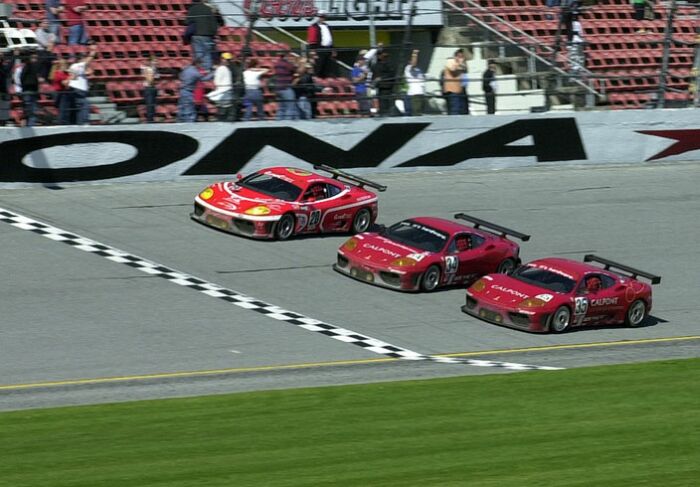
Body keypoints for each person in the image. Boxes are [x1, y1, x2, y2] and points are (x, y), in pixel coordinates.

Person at [186, 0, 224, 72]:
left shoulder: (193, 8)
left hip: (196, 34)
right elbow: (220, 22)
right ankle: (207, 71)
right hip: (208, 35)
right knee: (207, 54)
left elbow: (187, 21)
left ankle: (199, 70)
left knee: (198, 53)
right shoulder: (211, 8)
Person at [68, 45, 97, 124]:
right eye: (84, 57)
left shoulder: (78, 67)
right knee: (84, 106)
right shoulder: (76, 66)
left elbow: (90, 72)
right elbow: (88, 62)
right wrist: (93, 53)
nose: (85, 59)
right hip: (77, 91)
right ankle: (83, 123)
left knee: (81, 108)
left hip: (80, 91)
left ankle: (80, 123)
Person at [177, 58, 213, 122]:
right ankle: (189, 126)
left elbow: (180, 76)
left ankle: (179, 122)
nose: (201, 66)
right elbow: (204, 79)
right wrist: (213, 73)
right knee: (190, 110)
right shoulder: (195, 72)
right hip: (188, 92)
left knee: (182, 109)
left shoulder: (186, 69)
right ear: (197, 64)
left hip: (182, 91)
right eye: (200, 64)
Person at [307, 11, 335, 78]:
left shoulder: (328, 26)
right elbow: (312, 39)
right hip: (319, 49)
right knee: (318, 68)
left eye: (324, 17)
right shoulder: (314, 26)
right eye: (321, 17)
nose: (322, 18)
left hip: (328, 49)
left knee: (327, 69)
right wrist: (313, 52)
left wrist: (333, 49)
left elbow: (330, 39)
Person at [207, 53, 234, 121]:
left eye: (229, 60)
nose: (228, 61)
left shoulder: (224, 68)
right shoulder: (222, 68)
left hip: (225, 92)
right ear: (222, 59)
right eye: (227, 59)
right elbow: (217, 82)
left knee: (224, 112)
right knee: (223, 112)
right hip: (224, 92)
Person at [20, 52, 43, 126]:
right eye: (34, 58)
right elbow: (22, 77)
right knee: (28, 109)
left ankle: (31, 125)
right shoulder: (27, 66)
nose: (35, 59)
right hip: (28, 90)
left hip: (34, 90)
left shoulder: (37, 68)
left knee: (33, 109)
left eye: (36, 58)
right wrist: (25, 84)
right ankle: (28, 126)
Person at [273, 51, 297, 121]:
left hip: (278, 87)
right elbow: (294, 69)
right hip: (286, 87)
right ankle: (287, 123)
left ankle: (278, 123)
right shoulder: (286, 64)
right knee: (290, 107)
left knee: (281, 107)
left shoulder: (277, 64)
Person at [443, 49, 467, 115]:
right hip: (452, 91)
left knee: (461, 110)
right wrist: (459, 62)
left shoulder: (461, 64)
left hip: (459, 91)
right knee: (454, 110)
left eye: (462, 57)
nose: (462, 59)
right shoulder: (450, 61)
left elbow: (465, 70)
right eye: (460, 56)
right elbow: (452, 69)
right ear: (456, 56)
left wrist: (462, 63)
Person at [372, 50, 395, 116]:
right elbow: (374, 74)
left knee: (387, 102)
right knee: (381, 102)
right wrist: (374, 82)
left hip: (388, 86)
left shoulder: (389, 64)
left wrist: (381, 78)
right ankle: (383, 113)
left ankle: (388, 113)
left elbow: (391, 74)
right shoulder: (375, 65)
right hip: (380, 87)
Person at [404, 49, 426, 116]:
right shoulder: (408, 68)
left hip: (421, 93)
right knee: (416, 113)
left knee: (420, 112)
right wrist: (415, 54)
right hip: (414, 94)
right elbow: (413, 63)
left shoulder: (419, 69)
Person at [49, 58, 71, 124]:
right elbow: (64, 83)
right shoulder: (57, 73)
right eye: (65, 65)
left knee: (66, 109)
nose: (66, 66)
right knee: (62, 109)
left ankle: (65, 121)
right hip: (59, 93)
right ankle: (61, 122)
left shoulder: (66, 73)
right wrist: (70, 78)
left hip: (66, 93)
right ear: (61, 65)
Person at [141, 56, 159, 122]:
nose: (156, 62)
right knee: (150, 105)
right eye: (154, 61)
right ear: (150, 62)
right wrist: (154, 79)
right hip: (149, 88)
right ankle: (150, 120)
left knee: (153, 105)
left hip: (153, 87)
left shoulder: (154, 69)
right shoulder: (148, 69)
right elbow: (150, 80)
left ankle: (152, 118)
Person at [0, 51, 16, 126]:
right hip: (2, 91)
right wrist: (14, 57)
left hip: (3, 91)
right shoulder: (3, 68)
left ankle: (3, 123)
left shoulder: (3, 67)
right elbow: (8, 68)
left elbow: (8, 68)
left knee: (4, 108)